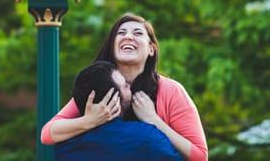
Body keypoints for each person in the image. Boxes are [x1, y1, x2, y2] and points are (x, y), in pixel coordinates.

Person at [42, 14, 208, 161]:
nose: (128, 36)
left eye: (138, 33)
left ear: (151, 49)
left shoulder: (171, 91)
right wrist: (89, 121)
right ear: (112, 46)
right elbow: (48, 134)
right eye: (121, 33)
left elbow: (200, 156)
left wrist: (154, 120)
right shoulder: (99, 83)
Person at [55, 60, 181, 161]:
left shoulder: (63, 147)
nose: (131, 88)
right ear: (112, 100)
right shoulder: (148, 138)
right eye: (125, 86)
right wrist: (154, 119)